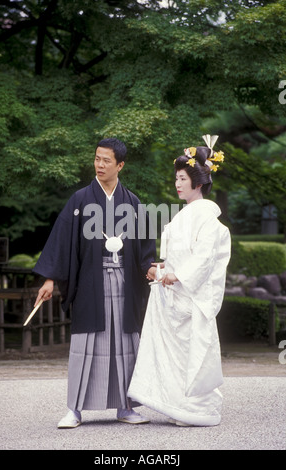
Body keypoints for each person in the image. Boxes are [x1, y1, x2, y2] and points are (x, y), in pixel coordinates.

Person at [33, 137, 156, 428]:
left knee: (125, 343)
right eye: (97, 159)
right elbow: (62, 241)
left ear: (120, 165)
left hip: (125, 281)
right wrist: (50, 278)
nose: (99, 165)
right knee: (86, 343)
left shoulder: (133, 203)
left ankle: (125, 407)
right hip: (91, 280)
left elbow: (144, 249)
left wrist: (151, 269)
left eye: (106, 161)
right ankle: (74, 409)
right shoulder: (80, 200)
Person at [128, 135, 231, 427]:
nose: (177, 183)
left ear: (198, 183)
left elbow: (204, 259)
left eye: (182, 178)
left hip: (191, 294)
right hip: (176, 291)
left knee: (194, 352)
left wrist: (175, 275)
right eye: (176, 178)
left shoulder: (208, 220)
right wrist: (164, 267)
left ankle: (200, 409)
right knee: (178, 354)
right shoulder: (183, 217)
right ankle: (179, 406)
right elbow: (181, 256)